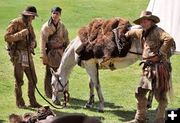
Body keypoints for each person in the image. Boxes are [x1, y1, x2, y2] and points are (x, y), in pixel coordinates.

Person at [126, 11, 176, 123]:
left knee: (160, 96)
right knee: (139, 93)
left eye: (146, 20)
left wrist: (160, 53)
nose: (143, 22)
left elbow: (169, 39)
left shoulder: (158, 31)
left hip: (159, 68)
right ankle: (140, 118)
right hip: (148, 68)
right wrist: (123, 35)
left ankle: (160, 120)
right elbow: (132, 33)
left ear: (151, 21)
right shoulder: (142, 32)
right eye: (142, 21)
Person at [4, 6, 41, 108]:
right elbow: (7, 37)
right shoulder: (15, 23)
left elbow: (33, 38)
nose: (33, 19)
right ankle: (20, 103)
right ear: (27, 15)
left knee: (33, 79)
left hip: (28, 55)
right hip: (18, 55)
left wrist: (34, 43)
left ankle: (32, 102)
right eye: (32, 16)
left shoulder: (29, 24)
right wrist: (20, 34)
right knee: (19, 80)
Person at [40, 6, 69, 98]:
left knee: (62, 73)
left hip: (61, 53)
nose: (55, 15)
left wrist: (68, 52)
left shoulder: (62, 25)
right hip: (51, 53)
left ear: (60, 15)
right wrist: (44, 56)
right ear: (51, 14)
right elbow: (43, 43)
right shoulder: (46, 27)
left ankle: (62, 92)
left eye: (57, 13)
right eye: (54, 13)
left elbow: (66, 39)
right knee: (50, 73)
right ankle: (49, 93)